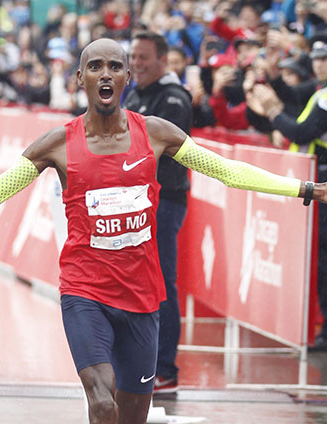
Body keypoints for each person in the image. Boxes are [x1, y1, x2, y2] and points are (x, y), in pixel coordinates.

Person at [0, 38, 327, 424]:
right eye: (94, 67)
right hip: (84, 291)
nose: (105, 75)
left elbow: (228, 169)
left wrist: (310, 191)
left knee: (130, 414)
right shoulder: (54, 145)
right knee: (99, 400)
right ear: (79, 79)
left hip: (143, 297)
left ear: (127, 78)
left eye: (115, 66)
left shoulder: (156, 133)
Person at [246, 26, 327, 352]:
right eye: (314, 57)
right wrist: (272, 78)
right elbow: (295, 96)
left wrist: (273, 108)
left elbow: (301, 132)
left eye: (325, 57)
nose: (317, 64)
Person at [123, 31, 193, 394]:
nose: (136, 63)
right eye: (132, 56)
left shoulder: (173, 98)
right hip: (135, 202)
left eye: (143, 57)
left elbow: (148, 151)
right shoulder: (134, 92)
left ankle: (165, 368)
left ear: (163, 60)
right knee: (137, 283)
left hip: (164, 202)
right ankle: (139, 365)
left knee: (163, 282)